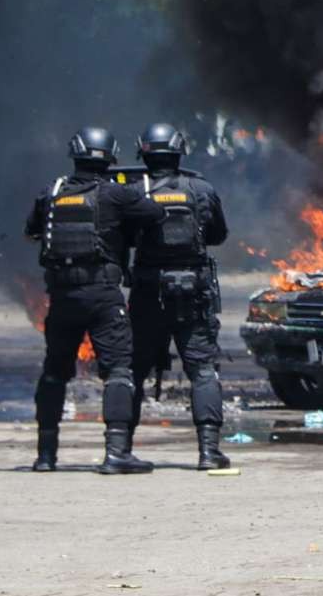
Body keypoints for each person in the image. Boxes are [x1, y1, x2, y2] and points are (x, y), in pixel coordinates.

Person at [25, 127, 165, 474]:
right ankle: (116, 452)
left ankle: (45, 456)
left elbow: (32, 232)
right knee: (118, 370)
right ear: (111, 155)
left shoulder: (52, 192)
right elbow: (155, 214)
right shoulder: (115, 195)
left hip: (62, 297)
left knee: (54, 373)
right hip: (102, 294)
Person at [127, 123, 231, 469]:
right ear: (178, 152)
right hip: (192, 293)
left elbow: (118, 237)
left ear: (144, 152)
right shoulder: (200, 188)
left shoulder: (130, 191)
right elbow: (218, 235)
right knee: (202, 370)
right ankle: (207, 452)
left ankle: (120, 449)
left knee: (134, 370)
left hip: (146, 293)